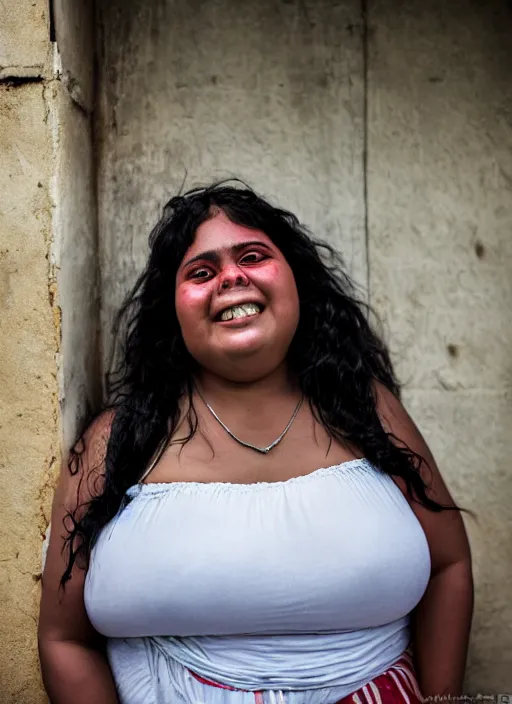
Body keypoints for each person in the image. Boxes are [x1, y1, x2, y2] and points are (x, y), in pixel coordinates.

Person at [38, 182, 473, 704]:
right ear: (172, 311)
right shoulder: (115, 440)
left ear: (296, 283)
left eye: (252, 257)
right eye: (201, 272)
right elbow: (64, 639)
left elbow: (450, 565)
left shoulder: (368, 409)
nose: (231, 278)